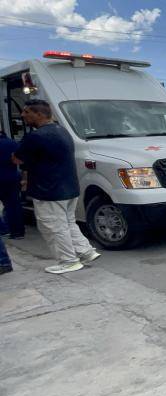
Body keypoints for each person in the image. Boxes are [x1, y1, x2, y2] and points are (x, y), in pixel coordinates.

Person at [12, 99, 100, 274]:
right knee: (68, 222)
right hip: (69, 186)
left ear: (39, 114)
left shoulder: (36, 136)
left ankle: (68, 261)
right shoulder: (62, 130)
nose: (22, 115)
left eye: (26, 112)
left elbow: (17, 159)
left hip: (48, 190)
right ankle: (86, 251)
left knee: (53, 226)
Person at [0, 130, 25, 239]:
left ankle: (3, 229)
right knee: (14, 205)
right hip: (11, 177)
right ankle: (17, 232)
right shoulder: (12, 143)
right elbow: (21, 160)